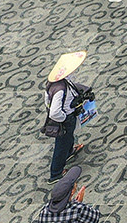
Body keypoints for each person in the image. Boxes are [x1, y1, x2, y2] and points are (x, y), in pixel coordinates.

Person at [44, 54, 93, 183]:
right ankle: (56, 174)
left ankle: (69, 152)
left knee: (68, 138)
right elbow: (54, 112)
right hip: (64, 120)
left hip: (67, 117)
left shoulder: (54, 83)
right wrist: (64, 117)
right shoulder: (60, 89)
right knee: (61, 145)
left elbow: (47, 101)